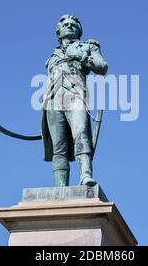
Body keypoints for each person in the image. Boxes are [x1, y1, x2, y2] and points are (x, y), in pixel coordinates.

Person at [41, 14, 108, 187]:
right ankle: (60, 187)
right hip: (53, 101)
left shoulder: (88, 46)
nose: (69, 25)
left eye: (73, 23)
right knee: (59, 147)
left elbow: (102, 67)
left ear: (79, 29)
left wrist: (80, 56)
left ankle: (85, 175)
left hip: (76, 97)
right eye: (66, 24)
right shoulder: (53, 56)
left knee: (81, 135)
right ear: (59, 31)